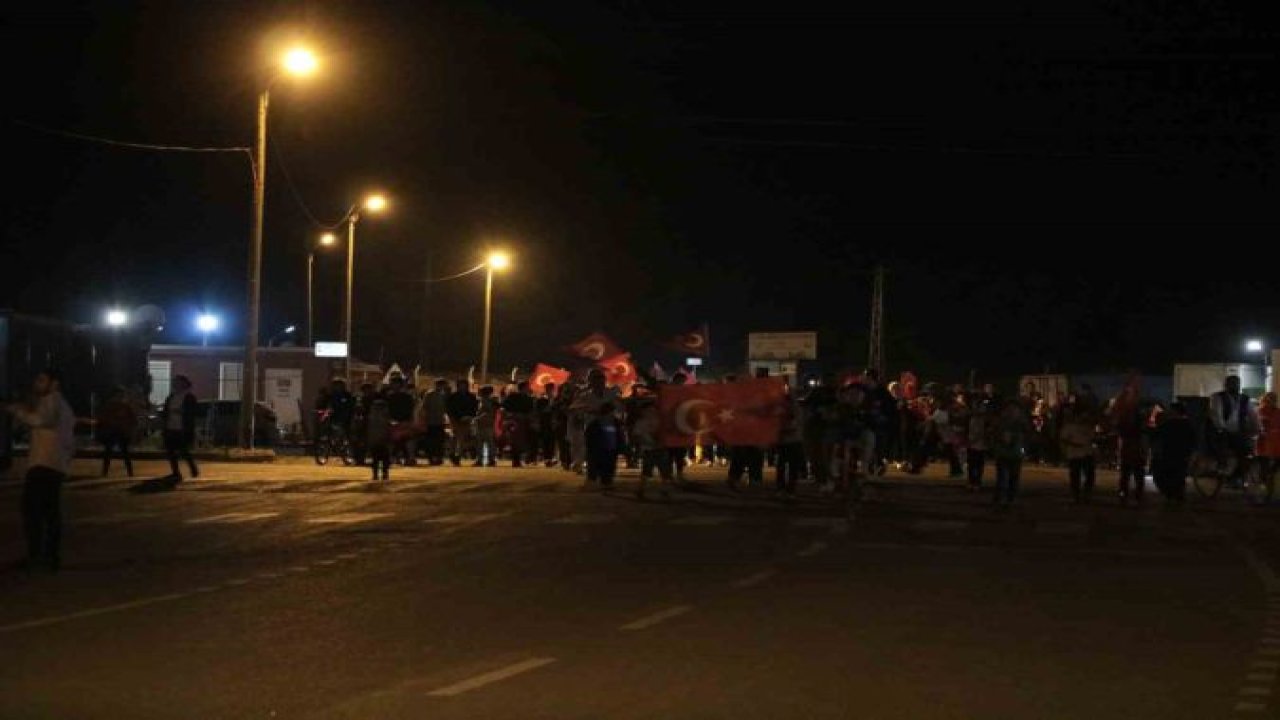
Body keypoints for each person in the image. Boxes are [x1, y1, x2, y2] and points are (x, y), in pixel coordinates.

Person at [6, 369, 76, 572]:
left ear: (54, 384)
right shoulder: (61, 404)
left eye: (42, 380)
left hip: (44, 464)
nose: (37, 384)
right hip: (53, 464)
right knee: (49, 511)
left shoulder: (52, 400)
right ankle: (50, 556)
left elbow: (40, 420)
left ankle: (37, 555)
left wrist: (17, 411)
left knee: (33, 511)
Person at [1209, 375, 1261, 482]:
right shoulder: (1217, 397)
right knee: (1223, 448)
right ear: (1226, 385)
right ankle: (1220, 467)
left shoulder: (1245, 399)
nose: (1235, 386)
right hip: (1221, 431)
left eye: (1237, 384)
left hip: (1238, 431)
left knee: (1247, 452)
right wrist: (1221, 428)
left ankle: (1235, 476)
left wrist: (1258, 428)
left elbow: (1253, 415)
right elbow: (1216, 414)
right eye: (1232, 384)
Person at [1151, 401, 1196, 504]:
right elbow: (1193, 441)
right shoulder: (1188, 424)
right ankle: (1178, 495)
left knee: (1168, 475)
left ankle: (1171, 494)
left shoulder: (1168, 424)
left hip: (1169, 454)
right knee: (1179, 475)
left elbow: (1156, 436)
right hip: (1182, 455)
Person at [1059, 392, 1098, 504]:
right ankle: (1077, 495)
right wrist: (1072, 444)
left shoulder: (1087, 425)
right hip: (1075, 453)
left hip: (1086, 452)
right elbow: (1064, 438)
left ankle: (1086, 494)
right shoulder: (1070, 425)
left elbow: (1093, 437)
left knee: (1089, 475)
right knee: (1075, 475)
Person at [992, 399, 1031, 509]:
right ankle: (1001, 498)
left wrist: (1024, 448)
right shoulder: (1001, 422)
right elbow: (994, 435)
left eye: (1014, 409)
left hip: (1015, 453)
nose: (1012, 411)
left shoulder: (1021, 423)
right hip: (1003, 453)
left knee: (1013, 477)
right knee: (1003, 478)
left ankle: (1010, 498)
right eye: (1009, 409)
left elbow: (1028, 436)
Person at [161, 374, 199, 481]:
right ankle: (176, 472)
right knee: (170, 451)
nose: (175, 384)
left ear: (184, 384)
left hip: (182, 428)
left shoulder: (189, 397)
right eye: (175, 382)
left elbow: (193, 412)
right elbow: (165, 411)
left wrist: (182, 412)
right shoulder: (171, 397)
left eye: (178, 382)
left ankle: (193, 468)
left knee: (183, 450)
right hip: (170, 427)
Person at [96, 385, 137, 478]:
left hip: (118, 431)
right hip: (114, 431)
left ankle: (128, 472)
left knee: (120, 453)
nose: (121, 397)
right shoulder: (114, 406)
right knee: (113, 452)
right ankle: (128, 472)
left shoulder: (123, 406)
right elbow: (103, 418)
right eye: (120, 395)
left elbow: (133, 420)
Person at [585, 402, 620, 489]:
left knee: (609, 467)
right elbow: (589, 437)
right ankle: (594, 481)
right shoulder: (595, 424)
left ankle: (606, 482)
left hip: (611, 449)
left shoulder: (615, 422)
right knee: (597, 466)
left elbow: (619, 435)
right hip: (599, 449)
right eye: (612, 412)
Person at [501, 381, 536, 467]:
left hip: (523, 421)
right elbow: (504, 407)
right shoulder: (514, 397)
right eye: (527, 387)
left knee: (521, 441)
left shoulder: (527, 398)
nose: (529, 388)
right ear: (524, 388)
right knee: (516, 441)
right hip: (516, 421)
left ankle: (520, 459)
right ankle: (516, 460)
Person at [385, 375, 417, 466]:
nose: (394, 385)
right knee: (391, 441)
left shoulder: (407, 397)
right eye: (393, 383)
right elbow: (386, 410)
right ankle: (392, 458)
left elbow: (411, 409)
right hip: (392, 422)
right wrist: (389, 420)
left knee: (408, 440)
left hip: (405, 421)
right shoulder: (388, 396)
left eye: (396, 383)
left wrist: (409, 420)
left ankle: (410, 458)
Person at [446, 378, 478, 466]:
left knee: (461, 438)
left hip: (466, 419)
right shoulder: (453, 396)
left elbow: (474, 408)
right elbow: (449, 408)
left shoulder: (471, 397)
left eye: (464, 385)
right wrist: (453, 418)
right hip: (455, 419)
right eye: (461, 385)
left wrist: (470, 416)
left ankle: (458, 455)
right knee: (454, 437)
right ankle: (453, 453)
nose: (463, 387)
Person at [419, 379, 450, 465]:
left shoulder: (444, 395)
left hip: (440, 421)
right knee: (431, 441)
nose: (441, 387)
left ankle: (439, 457)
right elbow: (424, 407)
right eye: (440, 385)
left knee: (440, 440)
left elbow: (446, 408)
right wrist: (424, 419)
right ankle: (431, 457)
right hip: (430, 421)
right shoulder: (429, 394)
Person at [1255, 392, 1279, 493]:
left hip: (1275, 441)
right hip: (1264, 441)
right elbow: (1260, 424)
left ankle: (1269, 475)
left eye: (1274, 399)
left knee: (1274, 462)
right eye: (1270, 399)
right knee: (1264, 462)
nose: (1272, 401)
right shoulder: (1261, 410)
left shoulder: (1277, 411)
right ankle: (1264, 480)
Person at [365, 396, 392, 481]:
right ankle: (379, 474)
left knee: (380, 459)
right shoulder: (373, 419)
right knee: (378, 459)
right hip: (378, 442)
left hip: (380, 442)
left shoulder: (373, 419)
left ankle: (381, 474)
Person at [473, 386, 498, 467]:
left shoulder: (485, 401)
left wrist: (477, 418)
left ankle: (484, 460)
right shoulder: (489, 401)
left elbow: (487, 412)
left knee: (482, 443)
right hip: (486, 424)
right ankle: (490, 459)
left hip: (485, 424)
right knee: (488, 443)